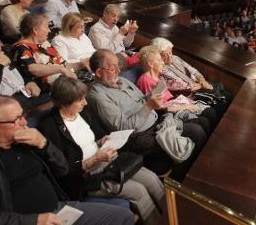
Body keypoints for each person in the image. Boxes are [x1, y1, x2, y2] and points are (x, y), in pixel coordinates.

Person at [0, 95, 135, 225]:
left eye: (24, 115)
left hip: (59, 209)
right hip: (26, 222)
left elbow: (63, 169)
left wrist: (44, 144)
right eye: (16, 120)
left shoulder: (24, 140)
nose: (24, 123)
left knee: (122, 217)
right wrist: (32, 221)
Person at [38, 77, 165, 224]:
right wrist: (95, 159)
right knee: (139, 191)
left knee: (152, 179)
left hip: (107, 161)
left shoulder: (83, 113)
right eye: (80, 100)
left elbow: (94, 138)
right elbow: (63, 169)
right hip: (88, 176)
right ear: (64, 103)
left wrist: (101, 141)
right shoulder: (49, 127)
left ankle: (173, 216)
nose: (85, 103)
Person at [86, 49, 208, 180]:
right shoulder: (96, 96)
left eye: (118, 65)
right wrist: (149, 105)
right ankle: (181, 181)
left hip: (156, 121)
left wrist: (154, 94)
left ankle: (195, 173)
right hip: (137, 136)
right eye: (112, 68)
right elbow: (123, 126)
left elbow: (142, 99)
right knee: (197, 132)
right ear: (99, 72)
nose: (118, 70)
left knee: (202, 124)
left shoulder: (122, 80)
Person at [137, 45, 217, 135]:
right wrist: (187, 106)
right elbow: (158, 108)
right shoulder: (145, 80)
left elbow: (171, 94)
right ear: (150, 64)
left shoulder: (157, 76)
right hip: (169, 113)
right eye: (159, 60)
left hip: (176, 102)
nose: (163, 63)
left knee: (209, 111)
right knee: (205, 119)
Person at [150, 37, 230, 117]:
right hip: (189, 95)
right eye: (164, 55)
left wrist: (202, 80)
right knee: (218, 103)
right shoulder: (161, 69)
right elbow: (183, 86)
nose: (170, 56)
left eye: (170, 52)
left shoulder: (176, 58)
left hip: (197, 85)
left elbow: (193, 70)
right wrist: (203, 85)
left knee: (225, 93)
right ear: (157, 56)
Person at [10, 13, 82, 90]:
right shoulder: (21, 47)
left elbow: (63, 65)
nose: (49, 30)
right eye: (47, 27)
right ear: (35, 30)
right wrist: (60, 69)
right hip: (46, 89)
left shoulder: (45, 44)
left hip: (62, 83)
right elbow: (32, 68)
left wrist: (81, 64)